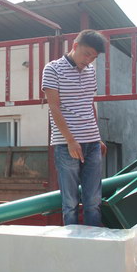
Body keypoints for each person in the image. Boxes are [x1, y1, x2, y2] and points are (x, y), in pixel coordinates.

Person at [42, 29, 107, 226]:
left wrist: (97, 137)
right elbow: (54, 106)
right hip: (66, 144)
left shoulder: (91, 71)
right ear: (75, 46)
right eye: (87, 54)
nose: (89, 60)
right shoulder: (52, 69)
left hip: (92, 142)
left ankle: (93, 244)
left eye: (93, 57)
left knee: (94, 201)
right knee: (70, 202)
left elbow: (89, 104)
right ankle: (72, 245)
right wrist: (70, 140)